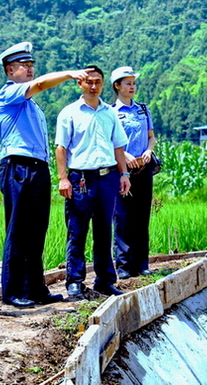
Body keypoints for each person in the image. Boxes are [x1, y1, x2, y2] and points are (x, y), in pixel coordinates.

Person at [0, 42, 92, 308]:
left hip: (37, 167)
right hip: (18, 166)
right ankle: (13, 292)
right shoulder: (9, 94)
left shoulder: (31, 105)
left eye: (31, 65)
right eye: (24, 66)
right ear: (10, 70)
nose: (30, 70)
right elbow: (38, 85)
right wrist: (69, 74)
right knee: (18, 230)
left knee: (36, 230)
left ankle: (35, 287)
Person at [55, 65, 131, 298]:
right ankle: (75, 281)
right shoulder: (69, 112)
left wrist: (124, 174)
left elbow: (117, 146)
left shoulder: (109, 112)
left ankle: (105, 280)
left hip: (108, 178)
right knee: (77, 231)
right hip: (81, 179)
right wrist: (63, 178)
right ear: (80, 83)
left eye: (98, 81)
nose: (93, 85)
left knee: (103, 231)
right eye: (89, 81)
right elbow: (61, 148)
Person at [110, 66, 157, 279]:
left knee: (141, 216)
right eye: (127, 83)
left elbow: (151, 136)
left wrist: (148, 151)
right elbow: (110, 140)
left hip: (143, 168)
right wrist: (125, 156)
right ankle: (124, 265)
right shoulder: (111, 112)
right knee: (122, 216)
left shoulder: (143, 110)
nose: (132, 87)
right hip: (122, 169)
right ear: (117, 86)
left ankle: (142, 262)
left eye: (133, 83)